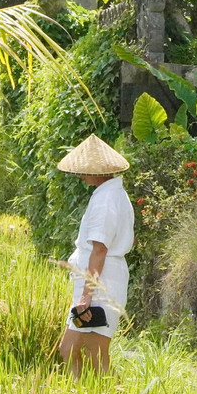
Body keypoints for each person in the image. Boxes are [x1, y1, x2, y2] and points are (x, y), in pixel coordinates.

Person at [56, 134, 135, 378]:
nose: (80, 174)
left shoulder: (107, 199)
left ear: (99, 171)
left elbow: (100, 249)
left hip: (100, 282)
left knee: (95, 353)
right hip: (100, 279)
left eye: (84, 169)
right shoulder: (108, 194)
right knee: (70, 350)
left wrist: (86, 295)